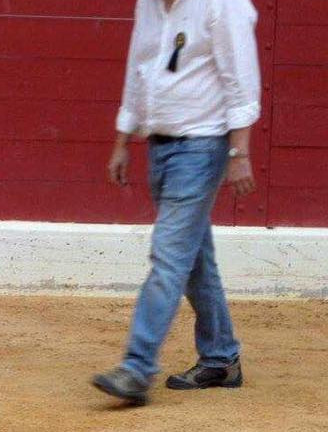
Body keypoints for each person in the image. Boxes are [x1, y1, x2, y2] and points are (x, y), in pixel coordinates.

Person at [92, 0, 260, 405]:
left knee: (169, 256)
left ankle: (137, 368)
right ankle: (220, 357)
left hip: (202, 147)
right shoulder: (148, 5)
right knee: (194, 259)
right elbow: (139, 69)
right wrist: (123, 142)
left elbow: (241, 79)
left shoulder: (223, 4)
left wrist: (239, 153)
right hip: (160, 146)